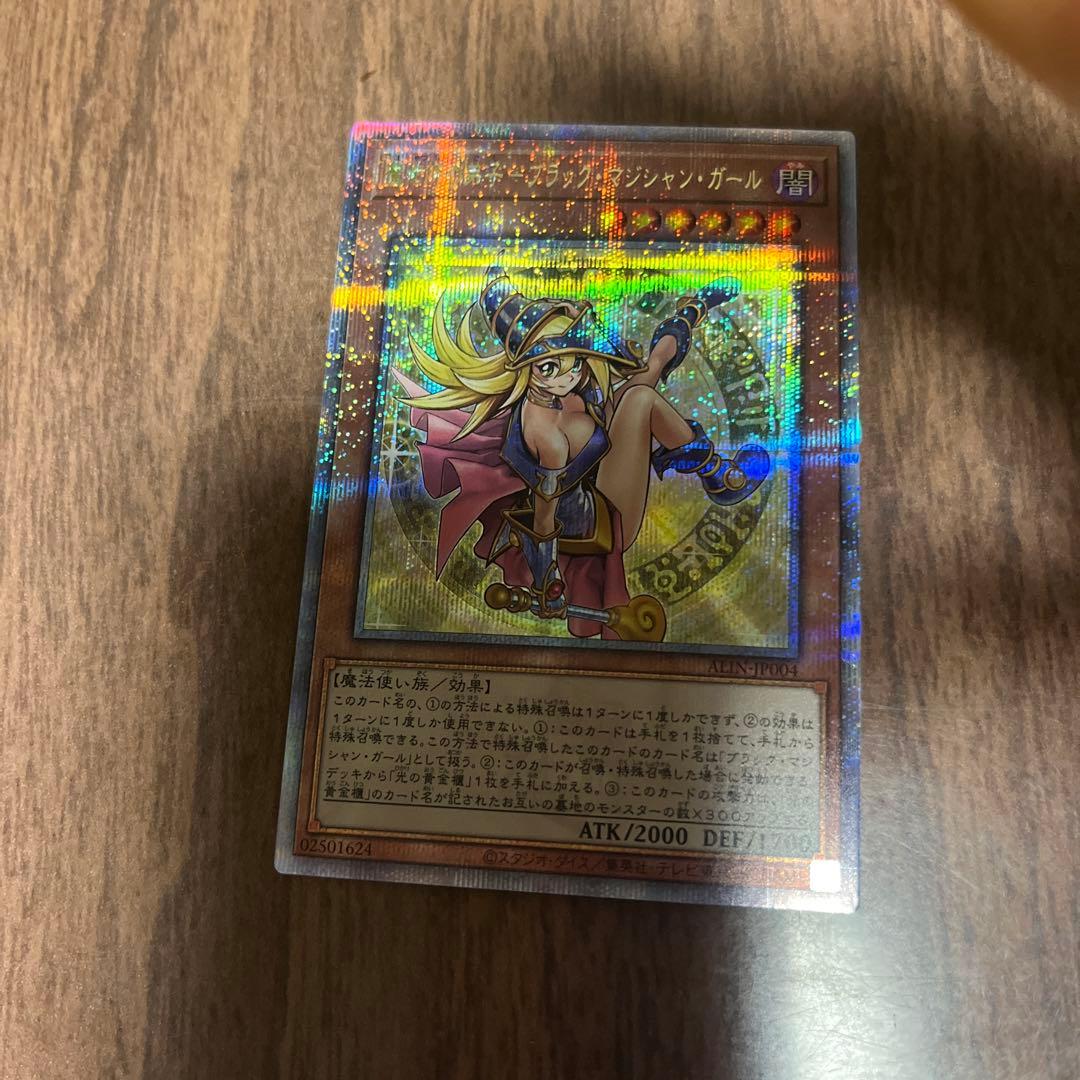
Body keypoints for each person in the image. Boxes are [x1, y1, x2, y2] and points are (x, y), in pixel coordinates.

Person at [393, 267, 769, 639]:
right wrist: (548, 582)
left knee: (649, 371)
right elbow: (544, 520)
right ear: (526, 368)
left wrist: (580, 321)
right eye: (550, 366)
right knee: (640, 398)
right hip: (601, 519)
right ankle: (718, 474)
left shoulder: (566, 388)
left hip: (600, 475)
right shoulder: (545, 434)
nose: (569, 374)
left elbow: (616, 364)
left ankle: (692, 309)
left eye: (573, 359)